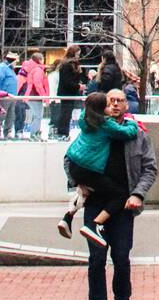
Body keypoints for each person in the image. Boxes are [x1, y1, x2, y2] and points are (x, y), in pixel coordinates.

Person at [65, 88, 157, 300]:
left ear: (127, 105)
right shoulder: (94, 127)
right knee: (96, 260)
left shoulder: (137, 134)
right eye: (111, 101)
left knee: (121, 258)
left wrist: (138, 194)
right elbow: (70, 158)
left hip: (123, 206)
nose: (115, 105)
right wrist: (77, 182)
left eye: (120, 101)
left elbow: (150, 168)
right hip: (96, 203)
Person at [57, 90, 139, 247]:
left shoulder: (85, 119)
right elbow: (128, 132)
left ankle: (67, 217)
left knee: (85, 191)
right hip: (88, 167)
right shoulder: (106, 124)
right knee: (121, 195)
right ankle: (94, 224)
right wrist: (131, 122)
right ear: (102, 109)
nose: (112, 107)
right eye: (108, 104)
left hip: (73, 161)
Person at [55, 45, 85, 141]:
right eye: (77, 54)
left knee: (66, 113)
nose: (78, 56)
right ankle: (62, 133)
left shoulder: (67, 64)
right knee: (66, 113)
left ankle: (63, 132)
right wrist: (78, 86)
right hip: (68, 93)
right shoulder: (68, 65)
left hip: (68, 92)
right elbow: (67, 81)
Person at [21, 51, 50, 141]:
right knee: (38, 116)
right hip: (35, 96)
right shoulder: (38, 70)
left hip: (33, 95)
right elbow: (37, 84)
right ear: (39, 60)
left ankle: (35, 133)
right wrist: (44, 96)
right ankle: (34, 134)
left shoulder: (34, 69)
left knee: (37, 115)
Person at [0, 51, 20, 141]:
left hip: (12, 96)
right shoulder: (2, 67)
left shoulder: (10, 69)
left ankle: (7, 132)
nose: (16, 63)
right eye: (16, 61)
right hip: (4, 96)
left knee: (11, 116)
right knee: (1, 115)